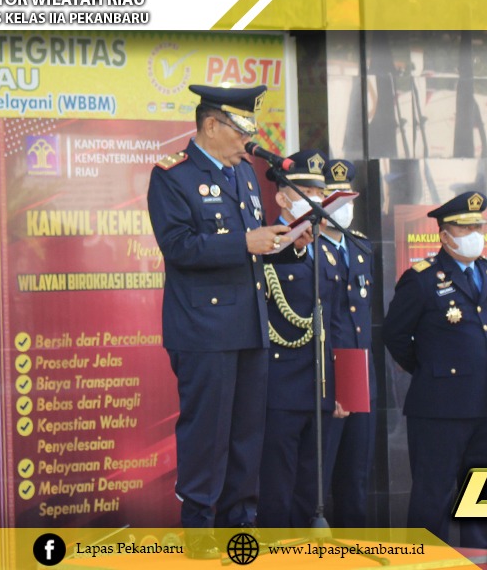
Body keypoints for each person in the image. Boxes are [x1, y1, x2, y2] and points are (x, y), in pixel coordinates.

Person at [147, 84, 310, 558]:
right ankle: (200, 536)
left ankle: (240, 526)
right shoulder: (173, 176)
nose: (247, 141)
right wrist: (244, 243)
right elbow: (178, 247)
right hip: (204, 331)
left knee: (246, 437)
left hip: (250, 326)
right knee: (208, 438)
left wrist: (288, 246)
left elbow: (254, 251)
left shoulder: (242, 175)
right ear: (211, 125)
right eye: (240, 131)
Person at [383, 192, 487, 548]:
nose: (475, 234)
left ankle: (477, 557)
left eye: (478, 227)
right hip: (440, 406)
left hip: (486, 403)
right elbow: (394, 334)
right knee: (432, 494)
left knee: (478, 496)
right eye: (465, 228)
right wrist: (428, 369)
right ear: (445, 234)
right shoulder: (422, 279)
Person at [258, 149, 343, 527]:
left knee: (312, 485)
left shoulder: (327, 250)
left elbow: (338, 321)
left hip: (320, 383)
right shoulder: (265, 245)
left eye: (320, 193)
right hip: (278, 384)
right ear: (282, 197)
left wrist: (343, 387)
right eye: (306, 192)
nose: (315, 200)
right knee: (277, 484)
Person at [320, 158, 376, 528]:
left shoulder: (361, 248)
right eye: (332, 197)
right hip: (325, 378)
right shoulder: (305, 249)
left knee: (355, 478)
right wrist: (330, 387)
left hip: (360, 377)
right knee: (317, 478)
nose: (342, 206)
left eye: (347, 197)